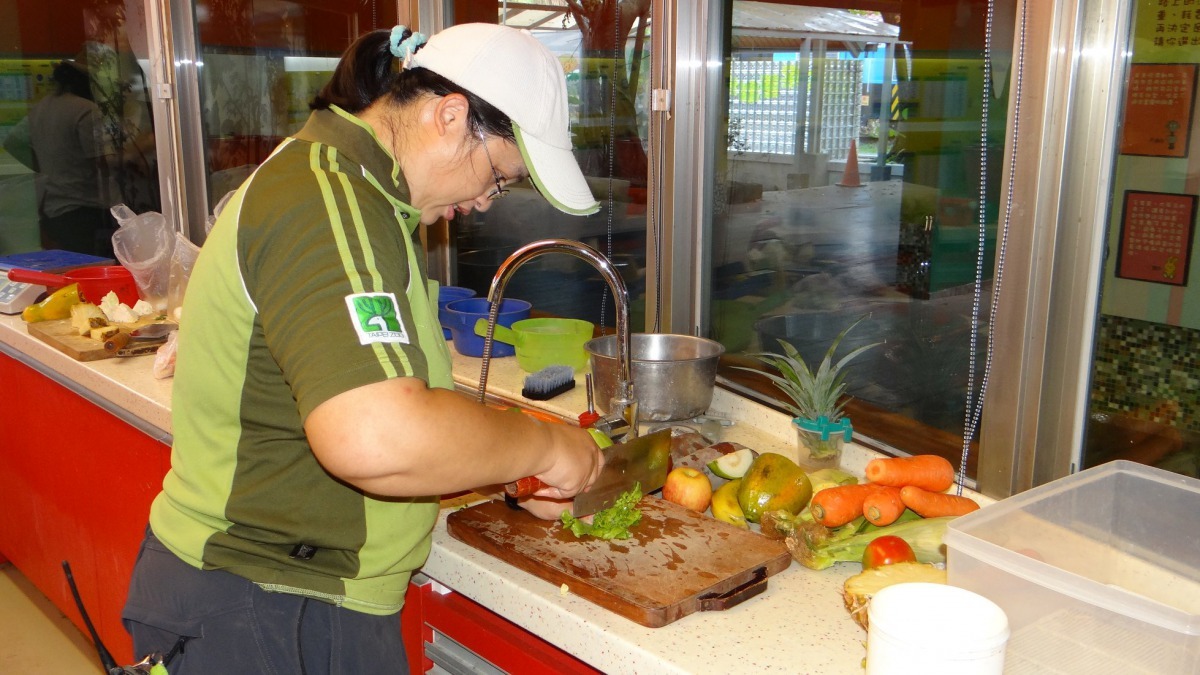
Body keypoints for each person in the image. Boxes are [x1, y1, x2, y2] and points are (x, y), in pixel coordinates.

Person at [122, 24, 603, 673]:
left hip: (278, 601)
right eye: (498, 175)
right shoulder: (327, 203)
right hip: (265, 608)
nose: (486, 202)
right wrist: (543, 444)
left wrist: (502, 464)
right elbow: (375, 435)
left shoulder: (359, 196)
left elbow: (379, 402)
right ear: (450, 115)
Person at [3, 55, 116, 257]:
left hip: (53, 207)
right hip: (83, 206)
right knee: (90, 265)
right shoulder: (84, 108)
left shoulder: (41, 108)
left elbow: (11, 141)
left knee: (69, 264)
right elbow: (100, 160)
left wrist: (41, 166)